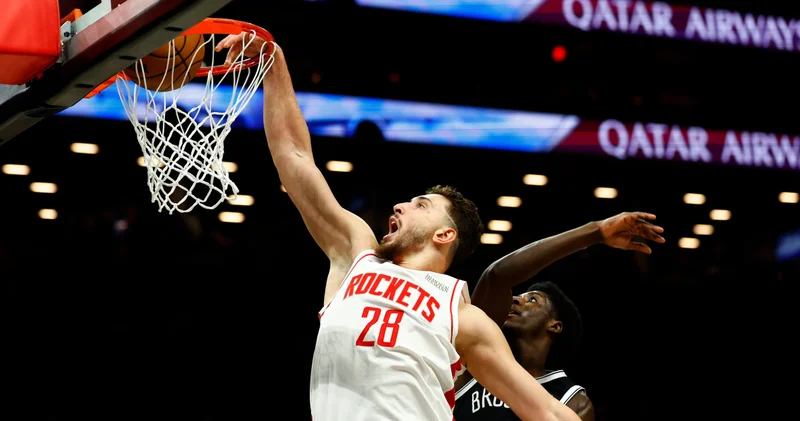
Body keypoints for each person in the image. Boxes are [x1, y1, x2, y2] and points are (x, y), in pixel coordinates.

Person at [217, 34, 582, 421]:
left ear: (445, 235)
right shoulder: (358, 255)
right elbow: (294, 158)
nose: (400, 205)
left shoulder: (463, 315)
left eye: (421, 205)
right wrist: (274, 64)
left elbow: (550, 413)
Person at [453, 214, 666, 421]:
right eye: (519, 296)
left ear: (554, 326)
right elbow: (496, 277)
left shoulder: (572, 400)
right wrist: (596, 231)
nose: (516, 300)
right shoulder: (474, 365)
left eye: (533, 300)